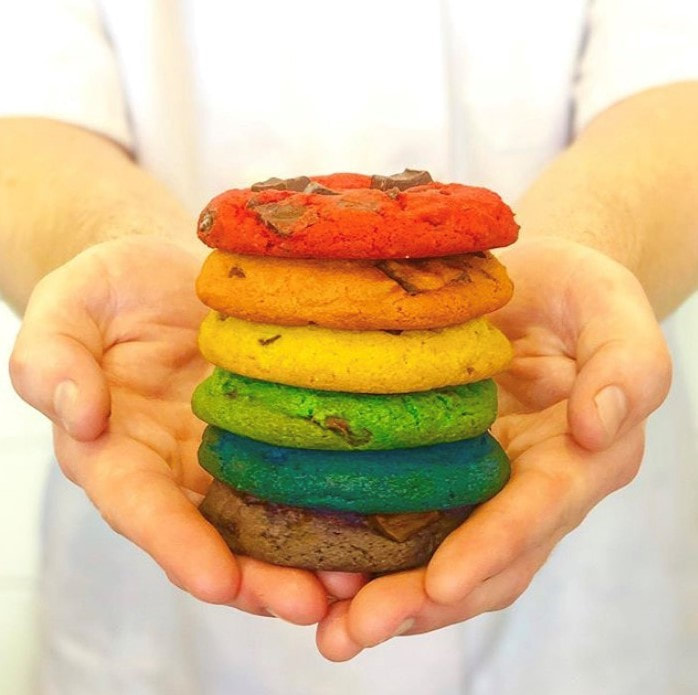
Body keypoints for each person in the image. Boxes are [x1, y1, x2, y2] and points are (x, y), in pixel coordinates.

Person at [0, 1, 697, 692]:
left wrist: (595, 240)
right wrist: (103, 239)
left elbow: (676, 87)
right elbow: (25, 106)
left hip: (577, 583)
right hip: (162, 601)